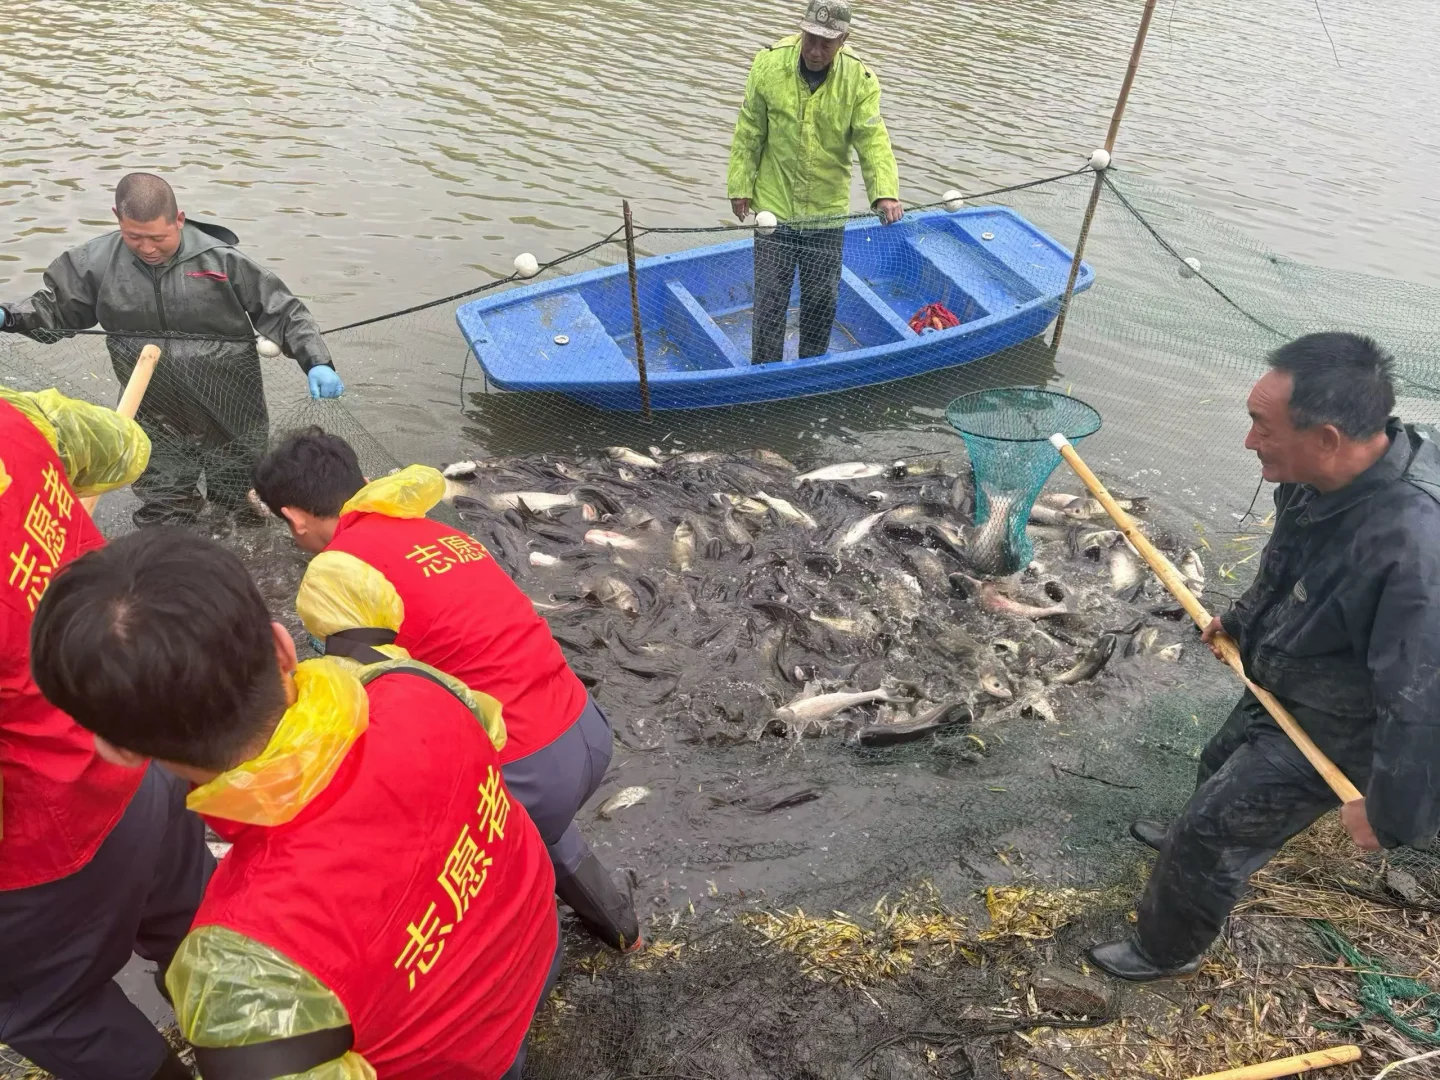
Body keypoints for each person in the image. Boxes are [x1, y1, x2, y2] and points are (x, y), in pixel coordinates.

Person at [30, 528, 561, 1079]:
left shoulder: (243, 961)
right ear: (283, 647)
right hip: (534, 944)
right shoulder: (412, 683)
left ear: (119, 751)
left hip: (459, 1061)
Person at [1089, 332, 1440, 981]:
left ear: (1328, 437)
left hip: (1346, 723)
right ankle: (1193, 840)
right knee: (1219, 759)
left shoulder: (1412, 554)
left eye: (1261, 427)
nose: (1249, 442)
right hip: (1297, 661)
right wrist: (1243, 623)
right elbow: (1290, 564)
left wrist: (1393, 807)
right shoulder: (1323, 474)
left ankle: (1168, 949)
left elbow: (1422, 700)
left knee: (1213, 831)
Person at [251, 428, 643, 952]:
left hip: (525, 773)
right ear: (362, 482)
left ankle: (506, 977)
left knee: (408, 862)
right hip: (585, 729)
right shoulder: (433, 531)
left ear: (294, 519)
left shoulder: (335, 571)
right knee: (533, 825)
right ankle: (624, 933)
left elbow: (363, 705)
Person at [1, 385, 212, 1080]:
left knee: (49, 1007)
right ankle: (249, 1046)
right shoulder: (15, 412)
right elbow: (128, 448)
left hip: (48, 840)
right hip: (137, 739)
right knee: (198, 927)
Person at [0, 172, 343, 529]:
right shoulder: (92, 264)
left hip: (230, 407)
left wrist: (316, 361)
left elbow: (283, 311)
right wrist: (10, 315)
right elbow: (55, 310)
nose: (147, 248)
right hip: (153, 408)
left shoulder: (220, 261)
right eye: (134, 237)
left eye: (158, 238)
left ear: (179, 220)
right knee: (163, 506)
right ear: (117, 217)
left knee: (242, 505)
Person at [727, 1, 902, 365]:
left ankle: (811, 367)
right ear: (801, 30)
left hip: (825, 212)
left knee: (821, 299)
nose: (815, 51)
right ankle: (765, 370)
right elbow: (749, 131)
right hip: (774, 208)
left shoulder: (860, 80)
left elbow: (872, 140)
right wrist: (740, 186)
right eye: (810, 39)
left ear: (843, 39)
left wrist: (884, 193)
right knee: (771, 297)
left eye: (826, 43)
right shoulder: (768, 65)